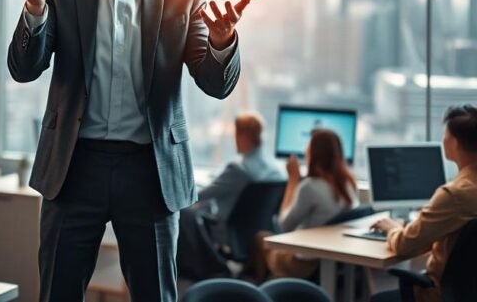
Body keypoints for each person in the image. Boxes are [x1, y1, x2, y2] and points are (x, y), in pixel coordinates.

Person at [8, 0, 253, 302]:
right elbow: (24, 69)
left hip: (150, 170)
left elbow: (215, 85)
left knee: (156, 295)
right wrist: (34, 7)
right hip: (74, 165)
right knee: (57, 293)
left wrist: (220, 42)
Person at [369, 105, 477, 302]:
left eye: (446, 134)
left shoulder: (454, 195)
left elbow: (403, 246)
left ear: (454, 142)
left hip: (438, 295)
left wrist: (393, 227)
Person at [177, 111, 285, 279]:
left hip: (229, 231)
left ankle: (201, 271)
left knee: (183, 211)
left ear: (242, 136)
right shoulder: (277, 170)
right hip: (260, 232)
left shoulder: (238, 170)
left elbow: (200, 195)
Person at [260, 128, 358, 279]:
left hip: (302, 263)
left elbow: (284, 226)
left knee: (260, 239)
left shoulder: (310, 187)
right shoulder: (348, 184)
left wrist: (293, 180)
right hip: (328, 259)